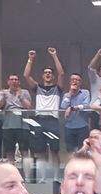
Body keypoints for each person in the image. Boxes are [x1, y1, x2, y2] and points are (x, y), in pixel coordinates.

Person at [23, 48, 66, 182]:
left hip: (53, 120)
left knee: (54, 151)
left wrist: (54, 56)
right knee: (40, 152)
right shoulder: (38, 87)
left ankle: (55, 179)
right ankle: (42, 179)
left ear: (52, 76)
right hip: (39, 120)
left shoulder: (57, 88)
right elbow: (26, 75)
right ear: (42, 76)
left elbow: (62, 73)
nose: (47, 74)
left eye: (49, 73)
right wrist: (30, 59)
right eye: (45, 73)